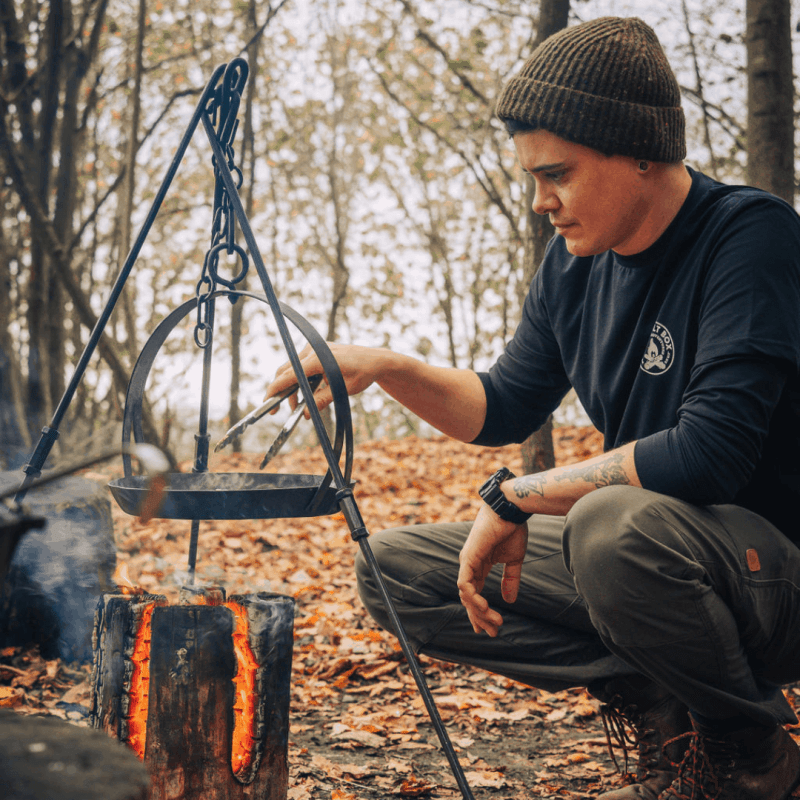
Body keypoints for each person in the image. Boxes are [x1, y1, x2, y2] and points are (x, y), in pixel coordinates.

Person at [266, 16, 800, 800]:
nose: (542, 202)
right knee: (400, 573)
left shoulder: (750, 238)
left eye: (559, 174)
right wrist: (386, 369)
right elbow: (503, 405)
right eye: (532, 179)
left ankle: (750, 754)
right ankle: (668, 709)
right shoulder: (574, 267)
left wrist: (517, 496)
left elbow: (706, 454)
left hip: (774, 574)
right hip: (657, 566)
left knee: (610, 527)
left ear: (641, 150)